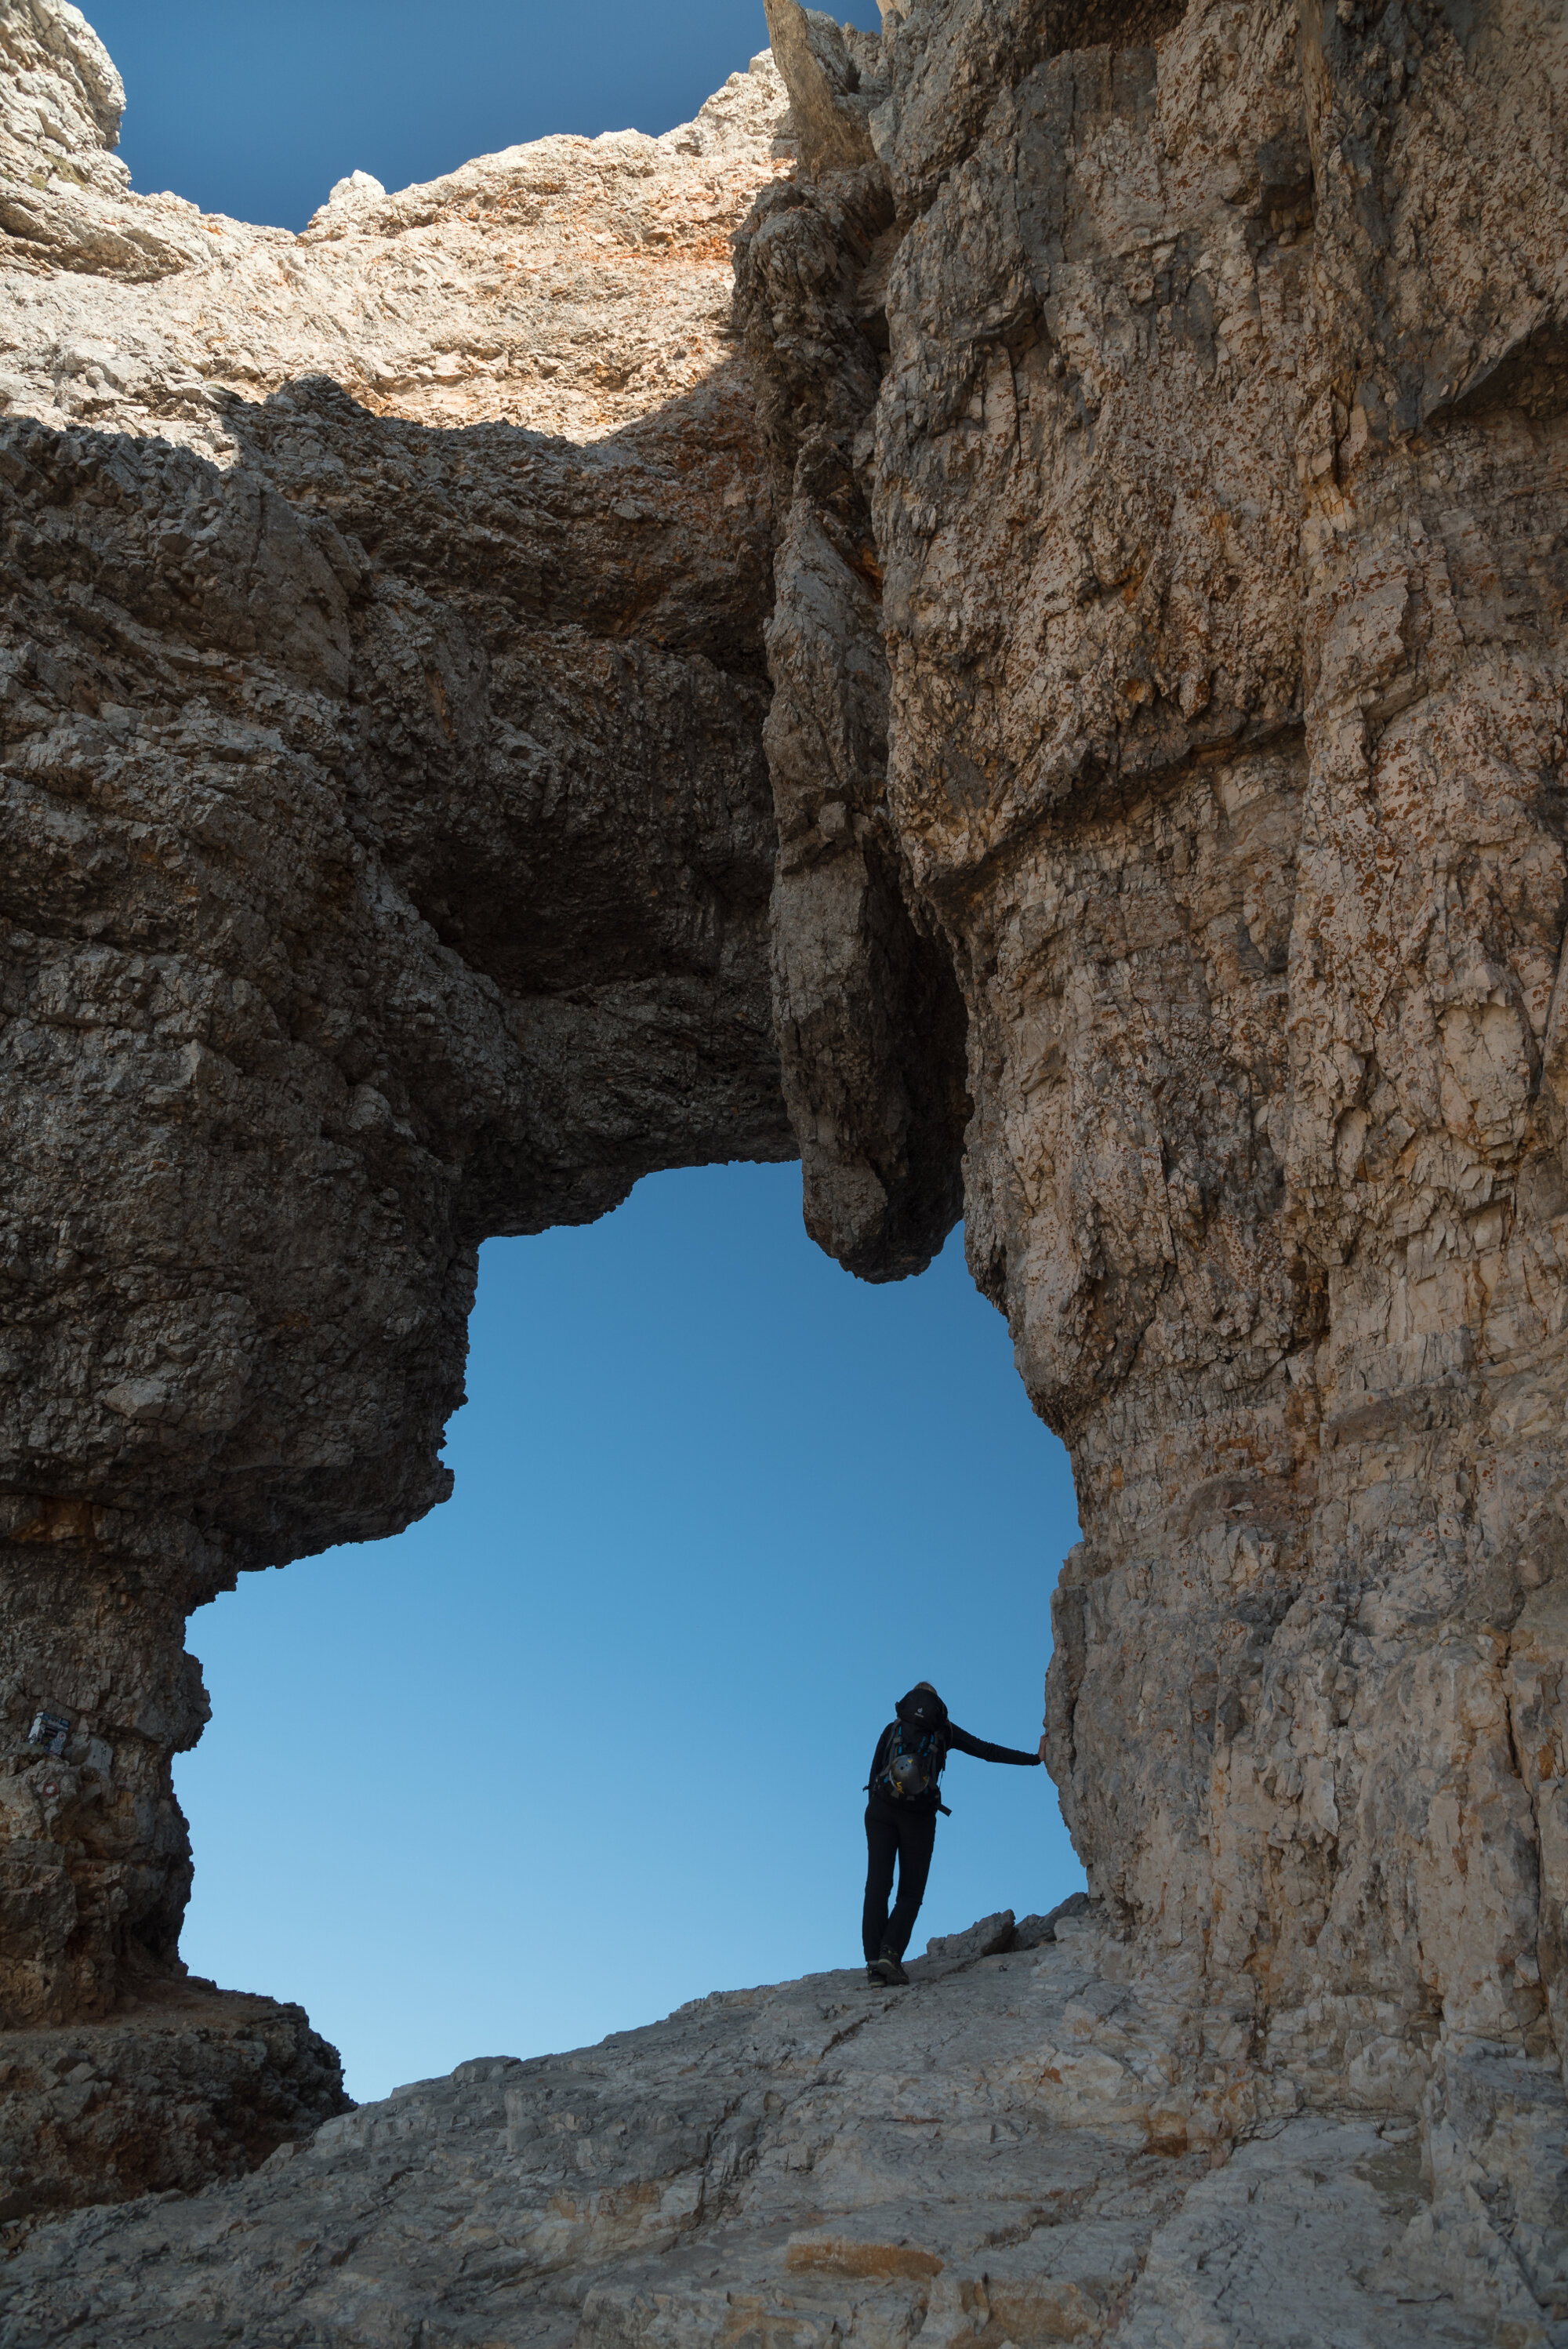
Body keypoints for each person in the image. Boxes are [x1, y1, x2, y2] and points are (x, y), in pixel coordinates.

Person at [862, 1681, 1046, 1986]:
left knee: (877, 1887)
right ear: (938, 1706)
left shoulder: (893, 1727)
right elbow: (987, 1751)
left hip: (880, 1811)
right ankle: (889, 1954)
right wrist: (1034, 1758)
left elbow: (874, 1771)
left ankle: (872, 1967)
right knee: (910, 1893)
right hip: (918, 1819)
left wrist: (873, 1811)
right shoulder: (944, 1730)